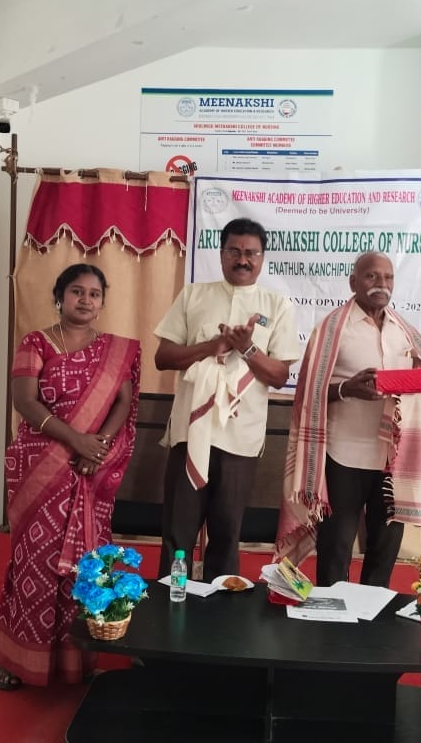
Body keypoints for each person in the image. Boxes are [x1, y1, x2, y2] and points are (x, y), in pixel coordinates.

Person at [0, 264, 141, 691]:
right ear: (59, 297)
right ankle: (19, 660)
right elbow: (25, 400)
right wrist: (77, 440)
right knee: (33, 562)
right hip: (41, 466)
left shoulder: (114, 350)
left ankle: (80, 660)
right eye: (77, 291)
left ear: (102, 303)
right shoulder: (36, 342)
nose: (85, 300)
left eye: (94, 294)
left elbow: (122, 402)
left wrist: (99, 447)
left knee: (85, 566)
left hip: (90, 468)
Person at [155, 217, 301, 582]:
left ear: (262, 258)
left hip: (240, 438)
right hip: (190, 432)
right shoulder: (193, 295)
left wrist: (247, 348)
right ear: (221, 254)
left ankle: (220, 610)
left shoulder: (277, 305)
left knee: (226, 534)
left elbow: (279, 375)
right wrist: (212, 346)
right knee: (177, 533)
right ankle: (171, 603)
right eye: (234, 251)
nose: (243, 260)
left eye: (251, 253)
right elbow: (163, 357)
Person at [275, 251, 421, 587]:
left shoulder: (406, 333)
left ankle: (373, 614)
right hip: (343, 455)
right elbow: (308, 393)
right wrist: (347, 388)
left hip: (392, 461)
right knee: (336, 547)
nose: (381, 284)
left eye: (388, 277)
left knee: (385, 548)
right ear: (353, 282)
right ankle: (331, 613)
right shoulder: (332, 330)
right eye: (372, 276)